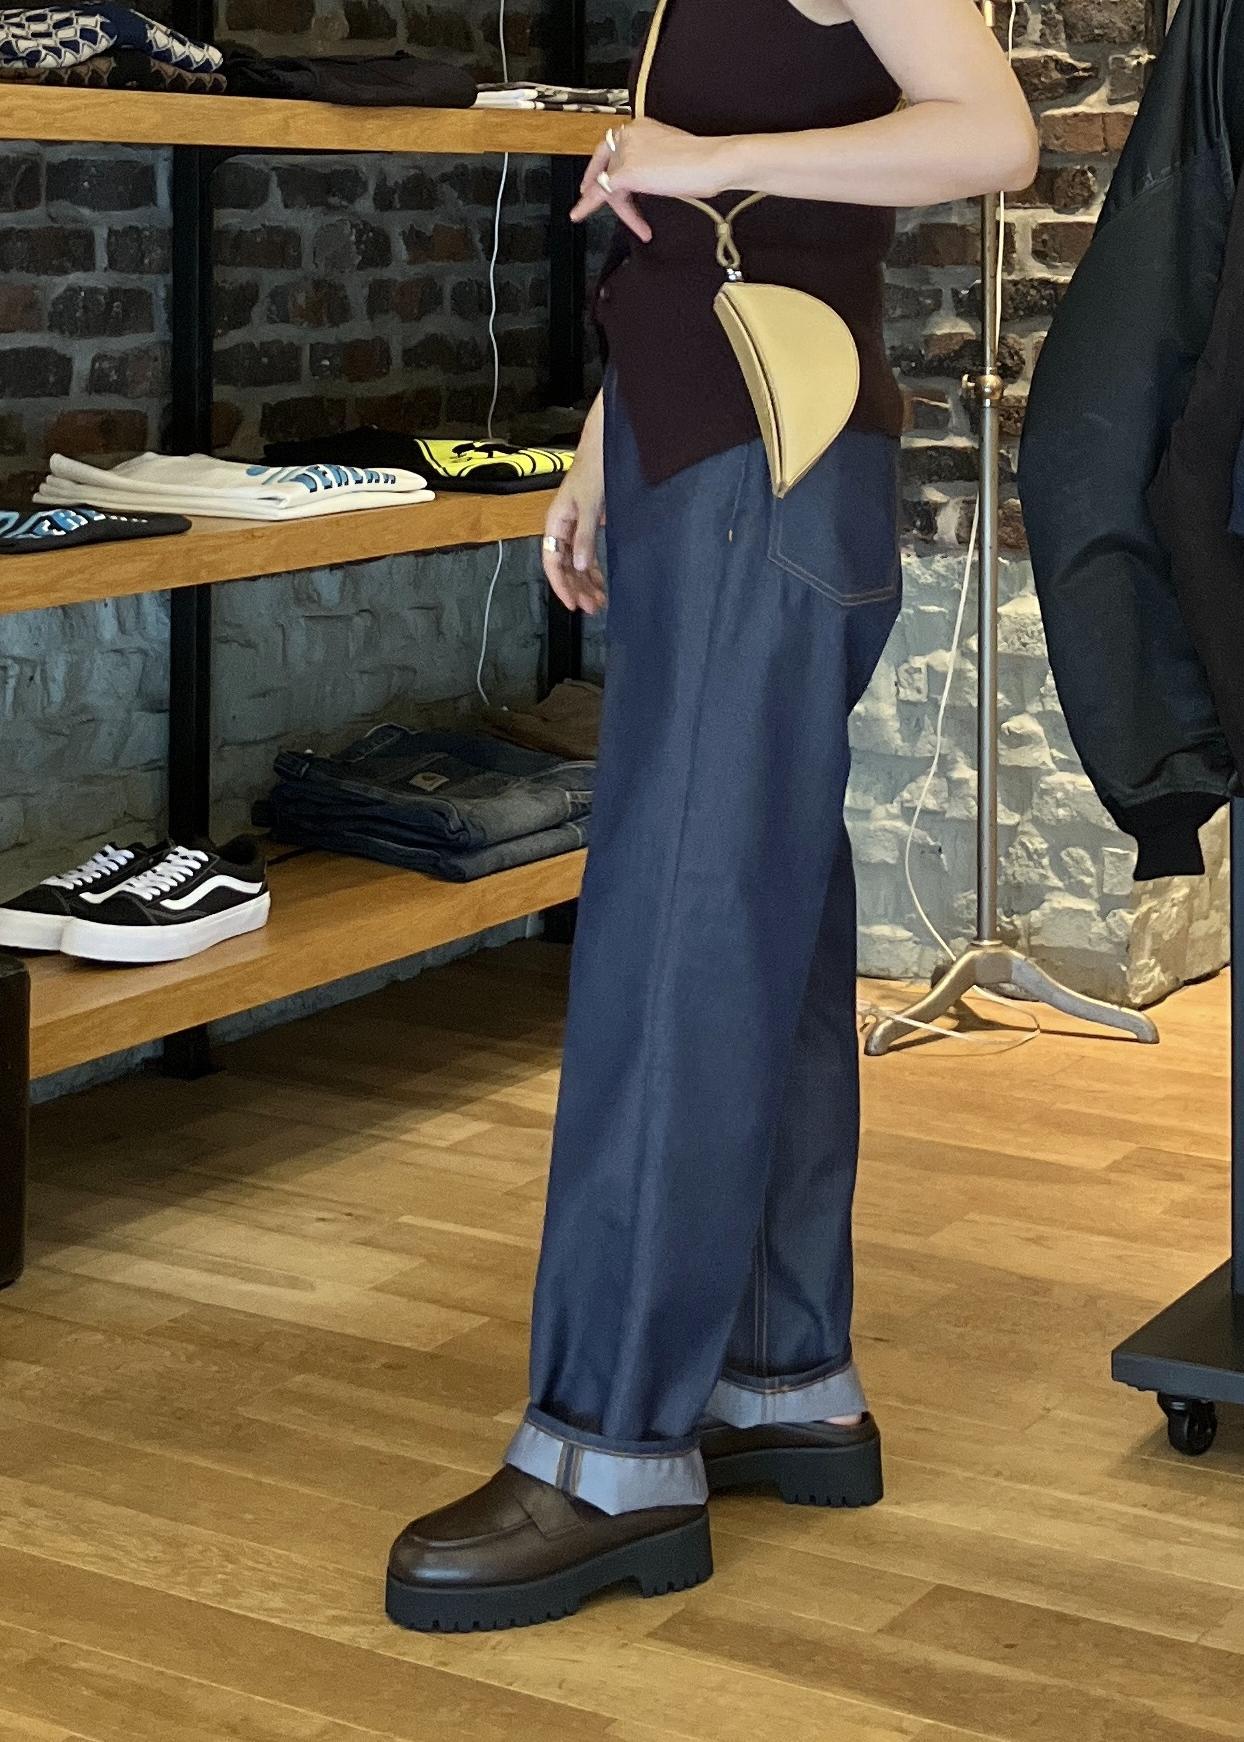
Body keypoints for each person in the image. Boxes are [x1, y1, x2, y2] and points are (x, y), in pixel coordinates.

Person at [387, 0, 1037, 1634]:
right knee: (762, 921)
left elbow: (991, 133)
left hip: (767, 474)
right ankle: (774, 1372)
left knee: (676, 931)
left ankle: (608, 1450)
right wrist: (605, 441)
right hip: (718, 460)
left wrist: (707, 153)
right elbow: (701, 246)